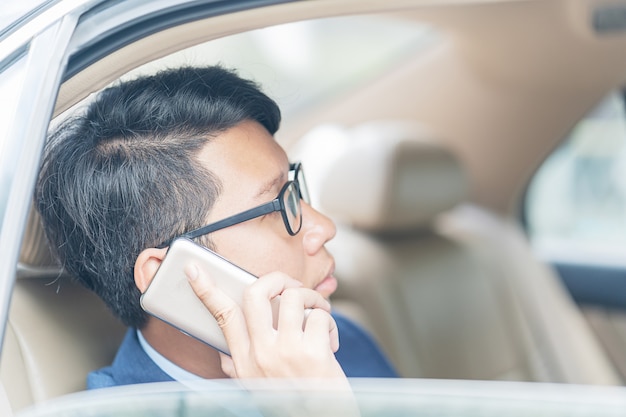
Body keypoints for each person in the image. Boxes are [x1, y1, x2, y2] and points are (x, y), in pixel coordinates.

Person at [35, 65, 397, 388]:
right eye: (274, 209)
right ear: (170, 274)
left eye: (295, 189)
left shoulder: (335, 340)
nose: (325, 227)